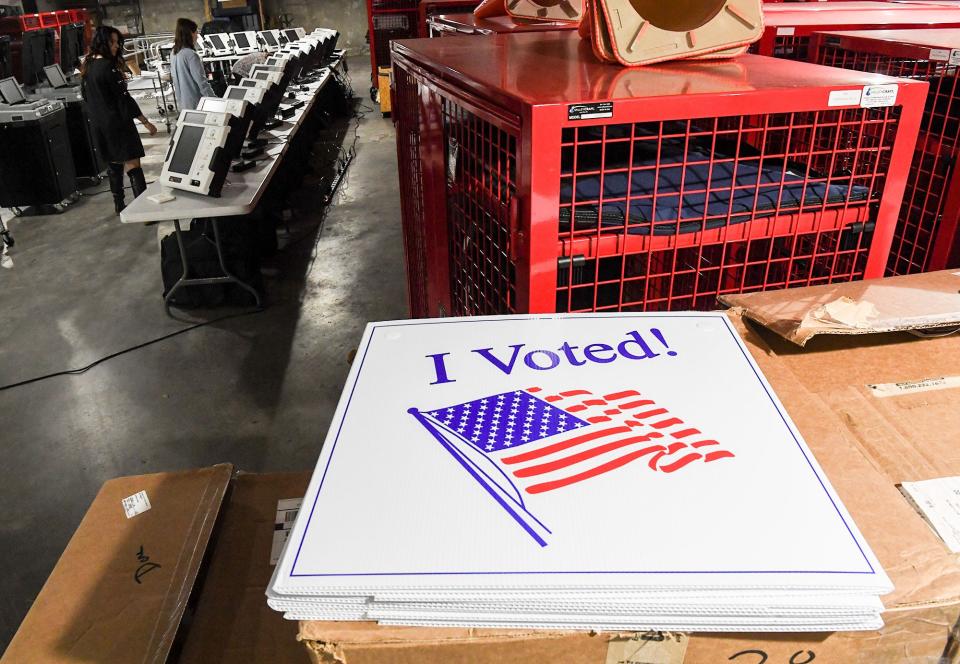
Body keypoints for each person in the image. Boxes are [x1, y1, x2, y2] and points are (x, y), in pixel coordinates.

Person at [80, 25, 157, 214]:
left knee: (114, 165)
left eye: (117, 42)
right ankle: (143, 210)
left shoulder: (87, 66)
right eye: (112, 42)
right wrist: (145, 121)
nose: (116, 46)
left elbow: (86, 96)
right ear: (103, 42)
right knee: (133, 165)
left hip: (100, 125)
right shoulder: (107, 67)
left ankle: (119, 205)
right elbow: (123, 99)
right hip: (119, 125)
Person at [170, 18, 215, 110]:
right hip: (197, 103)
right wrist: (215, 101)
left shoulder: (174, 52)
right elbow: (202, 82)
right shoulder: (191, 55)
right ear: (190, 33)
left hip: (183, 103)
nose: (197, 36)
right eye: (196, 32)